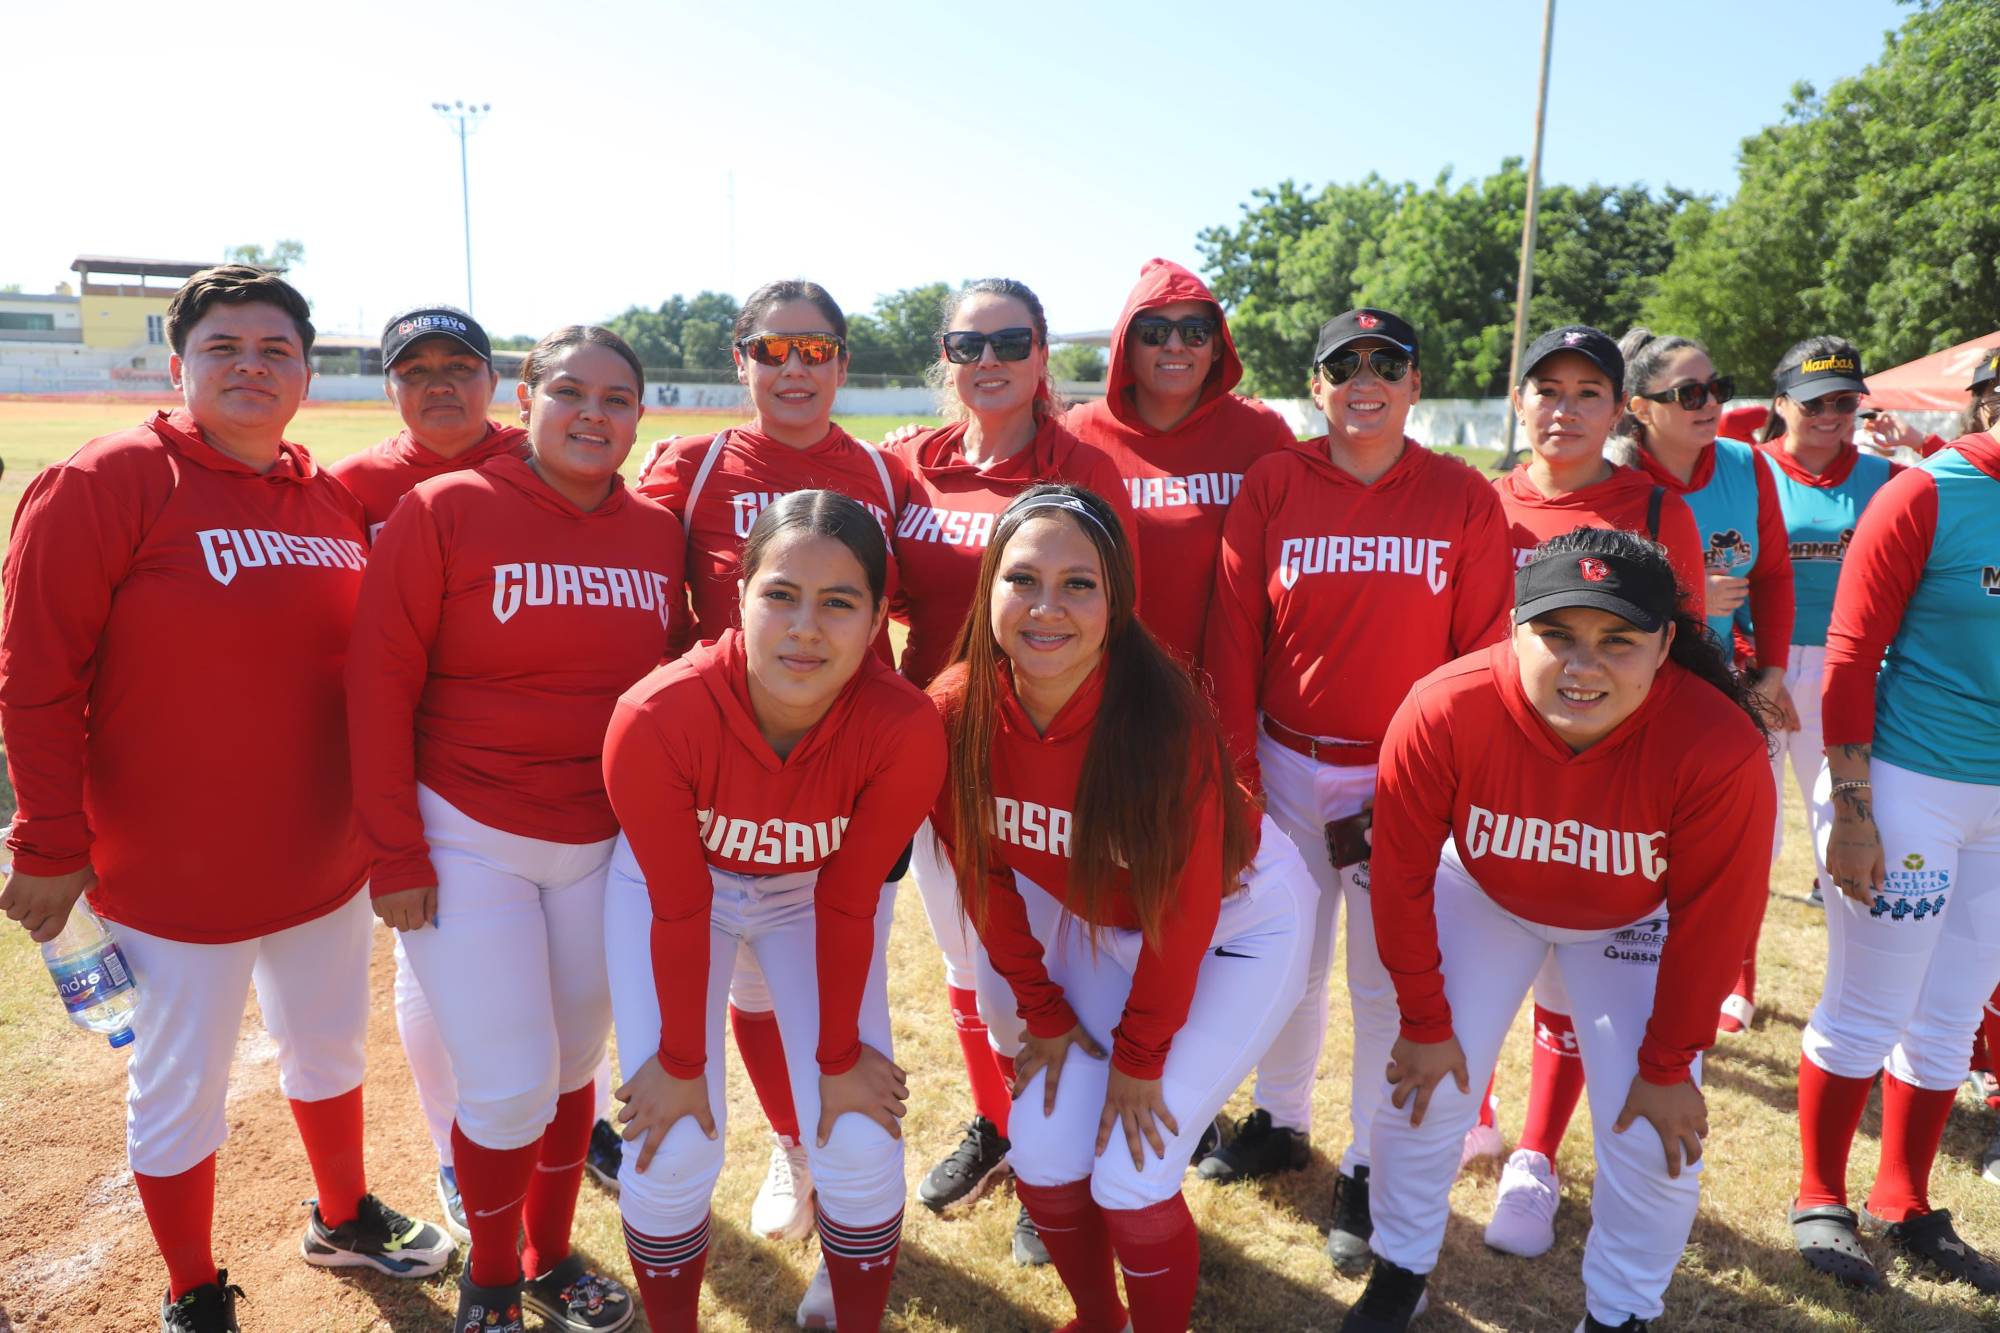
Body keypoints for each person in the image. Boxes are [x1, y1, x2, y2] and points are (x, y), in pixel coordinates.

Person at [0, 265, 452, 1333]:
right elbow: (35, 672)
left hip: (321, 856)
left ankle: (343, 1215)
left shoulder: (326, 496)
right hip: (173, 872)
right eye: (223, 349)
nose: (250, 366)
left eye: (274, 350)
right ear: (179, 365)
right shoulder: (109, 478)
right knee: (178, 1088)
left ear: (305, 372)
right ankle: (192, 1288)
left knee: (330, 1049)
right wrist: (48, 832)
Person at [1345, 526, 1774, 1333]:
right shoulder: (1446, 704)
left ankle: (1619, 1314)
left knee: (1655, 1129)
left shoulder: (1717, 743)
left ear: (1666, 643)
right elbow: (1398, 878)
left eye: (1618, 641)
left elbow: (1716, 921)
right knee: (1422, 1088)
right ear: (1513, 628)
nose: (1583, 665)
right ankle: (1399, 1268)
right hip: (1486, 893)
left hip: (1631, 919)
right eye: (1556, 635)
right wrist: (1425, 1022)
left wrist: (1670, 1060)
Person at [930, 483, 1313, 1332]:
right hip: (1109, 934)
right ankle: (1102, 1319)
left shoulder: (1159, 717)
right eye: (1023, 578)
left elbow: (1184, 914)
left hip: (1240, 926)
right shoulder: (955, 711)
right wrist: (1043, 1010)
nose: (1047, 607)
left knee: (1133, 1176)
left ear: (1117, 601)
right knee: (1043, 1154)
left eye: (1079, 583)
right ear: (988, 584)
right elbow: (984, 877)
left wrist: (1140, 1061)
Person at [347, 324, 671, 1332]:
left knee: (573, 1069)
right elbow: (376, 684)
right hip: (465, 832)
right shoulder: (445, 508)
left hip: (602, 843)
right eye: (569, 391)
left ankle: (549, 1250)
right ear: (525, 396)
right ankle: (490, 1274)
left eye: (616, 399)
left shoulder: (657, 531)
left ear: (637, 417)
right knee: (502, 1087)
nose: (592, 415)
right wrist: (394, 849)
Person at [1198, 308, 1515, 1274]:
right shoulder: (1278, 480)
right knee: (1283, 959)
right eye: (1346, 364)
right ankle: (1283, 1120)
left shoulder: (1461, 495)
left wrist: (1434, 784)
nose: (1366, 378)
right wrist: (1239, 767)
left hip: (1402, 771)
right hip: (1286, 756)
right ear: (1319, 383)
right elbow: (1235, 629)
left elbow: (1484, 655)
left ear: (1417, 383)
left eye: (1388, 363)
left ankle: (1371, 1166)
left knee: (1386, 977)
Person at [602, 491, 943, 1333]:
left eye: (839, 602)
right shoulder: (656, 713)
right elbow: (680, 905)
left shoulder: (903, 726)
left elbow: (850, 894)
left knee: (860, 1134)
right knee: (675, 1143)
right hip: (678, 891)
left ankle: (849, 1317)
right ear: (739, 598)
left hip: (814, 893)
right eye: (782, 594)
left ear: (874, 622)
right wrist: (681, 1059)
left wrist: (837, 1058)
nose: (805, 626)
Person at [635, 282, 911, 1315]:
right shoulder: (694, 464)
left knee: (841, 1001)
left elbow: (920, 607)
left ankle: (842, 1200)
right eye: (772, 347)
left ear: (842, 361)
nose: (794, 366)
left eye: (816, 347)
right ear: (739, 358)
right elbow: (636, 591)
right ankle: (792, 1150)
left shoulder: (887, 468)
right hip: (710, 789)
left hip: (840, 797)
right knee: (747, 994)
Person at [889, 278, 1137, 1265]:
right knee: (967, 958)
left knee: (1051, 953)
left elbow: (1115, 608)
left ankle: (1051, 1157)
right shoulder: (909, 465)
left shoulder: (1083, 467)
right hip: (934, 744)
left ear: (1040, 354)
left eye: (1007, 340)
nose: (984, 359)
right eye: (964, 341)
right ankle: (1003, 1126)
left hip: (1048, 746)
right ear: (943, 357)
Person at [1479, 326, 1713, 1260]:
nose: (1564, 408)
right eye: (1547, 388)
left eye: (1589, 391)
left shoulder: (1656, 509)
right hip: (1493, 780)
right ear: (1520, 402)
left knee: (1571, 983)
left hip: (1610, 789)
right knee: (1478, 972)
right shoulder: (1483, 500)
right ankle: (1484, 1115)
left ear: (1620, 410)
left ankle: (1535, 1154)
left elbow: (1685, 665)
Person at [326, 304, 548, 1243]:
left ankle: (552, 1113)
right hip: (410, 760)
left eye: (460, 365)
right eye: (417, 372)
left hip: (526, 756)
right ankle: (458, 1148)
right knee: (432, 951)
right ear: (391, 389)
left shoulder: (537, 463)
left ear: (495, 380)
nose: (441, 385)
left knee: (553, 962)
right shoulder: (357, 485)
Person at [1789, 423, 2000, 1294]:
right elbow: (1848, 652)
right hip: (1906, 783)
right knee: (1869, 1009)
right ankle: (1819, 1197)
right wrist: (1853, 808)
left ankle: (1904, 1200)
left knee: (1952, 1015)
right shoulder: (1926, 493)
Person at [1612, 328, 1797, 1033]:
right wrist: (1687, 592)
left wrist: (1772, 671)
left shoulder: (1747, 466)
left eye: (1715, 388)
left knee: (1737, 848)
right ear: (1640, 406)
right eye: (1687, 393)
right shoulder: (1617, 480)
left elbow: (1774, 575)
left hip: (1724, 689)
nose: (1709, 402)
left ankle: (1728, 983)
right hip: (1637, 696)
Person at [1064, 257, 1293, 665]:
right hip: (1108, 686)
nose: (1174, 346)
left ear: (1217, 344)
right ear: (1126, 345)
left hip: (1230, 684)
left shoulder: (1262, 433)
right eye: (1153, 333)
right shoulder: (1077, 433)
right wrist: (915, 443)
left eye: (1194, 332)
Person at [1748, 338, 1903, 915]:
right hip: (1760, 667)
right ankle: (1736, 989)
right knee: (1749, 832)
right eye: (1814, 404)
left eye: (1845, 402)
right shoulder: (1746, 468)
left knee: (1844, 823)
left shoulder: (1888, 477)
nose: (1832, 417)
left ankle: (1850, 991)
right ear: (1781, 402)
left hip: (1851, 667)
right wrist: (1761, 668)